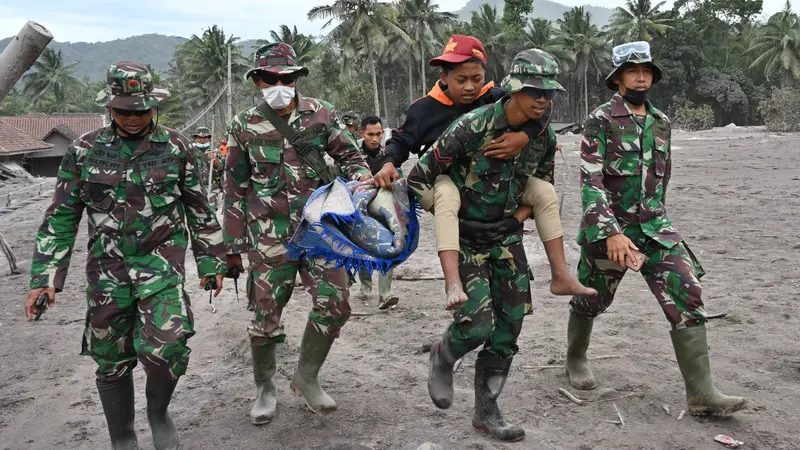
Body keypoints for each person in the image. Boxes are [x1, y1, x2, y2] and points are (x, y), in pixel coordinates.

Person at [25, 61, 228, 450]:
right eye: (124, 111)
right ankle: (122, 436)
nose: (133, 119)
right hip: (107, 272)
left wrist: (211, 261)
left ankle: (158, 414)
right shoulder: (85, 151)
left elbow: (198, 208)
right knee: (111, 356)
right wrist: (45, 278)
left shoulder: (177, 146)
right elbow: (62, 216)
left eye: (141, 111)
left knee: (168, 347)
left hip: (161, 267)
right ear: (109, 107)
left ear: (154, 106)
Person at [567, 41, 747, 415]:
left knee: (688, 291)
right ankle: (575, 357)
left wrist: (657, 219)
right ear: (617, 78)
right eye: (633, 70)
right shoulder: (600, 119)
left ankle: (701, 394)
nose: (641, 77)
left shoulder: (661, 122)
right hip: (609, 230)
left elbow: (660, 183)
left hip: (654, 228)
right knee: (592, 298)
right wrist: (610, 232)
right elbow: (591, 180)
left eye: (646, 70)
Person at [407, 49, 566, 442]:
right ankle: (443, 354)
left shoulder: (542, 135)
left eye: (549, 91)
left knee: (507, 331)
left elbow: (543, 184)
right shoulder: (472, 126)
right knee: (477, 325)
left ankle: (486, 412)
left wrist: (516, 220)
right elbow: (418, 178)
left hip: (506, 240)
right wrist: (448, 211)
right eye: (533, 90)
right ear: (513, 88)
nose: (542, 98)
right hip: (466, 242)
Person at [373, 34, 592, 308]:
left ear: (484, 76)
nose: (469, 87)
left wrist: (524, 135)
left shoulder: (495, 97)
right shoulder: (424, 109)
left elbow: (539, 109)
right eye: (461, 80)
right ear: (444, 78)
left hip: (490, 180)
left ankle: (560, 275)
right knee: (446, 198)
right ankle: (452, 282)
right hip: (445, 178)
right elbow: (402, 141)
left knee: (545, 191)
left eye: (476, 79)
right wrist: (389, 162)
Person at [223, 42, 370, 426]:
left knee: (336, 302)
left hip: (321, 230)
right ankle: (265, 388)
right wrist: (233, 247)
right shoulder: (243, 124)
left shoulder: (321, 114)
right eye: (270, 78)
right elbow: (235, 187)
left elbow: (352, 159)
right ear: (257, 81)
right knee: (265, 314)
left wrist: (359, 183)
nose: (279, 85)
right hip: (269, 234)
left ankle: (306, 377)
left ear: (296, 78)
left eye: (286, 78)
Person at [355, 115, 399, 309]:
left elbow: (398, 178)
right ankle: (365, 286)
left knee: (387, 247)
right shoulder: (353, 156)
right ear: (361, 133)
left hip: (383, 208)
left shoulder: (388, 155)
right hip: (360, 208)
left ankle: (385, 295)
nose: (375, 138)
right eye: (370, 134)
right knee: (363, 249)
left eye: (378, 134)